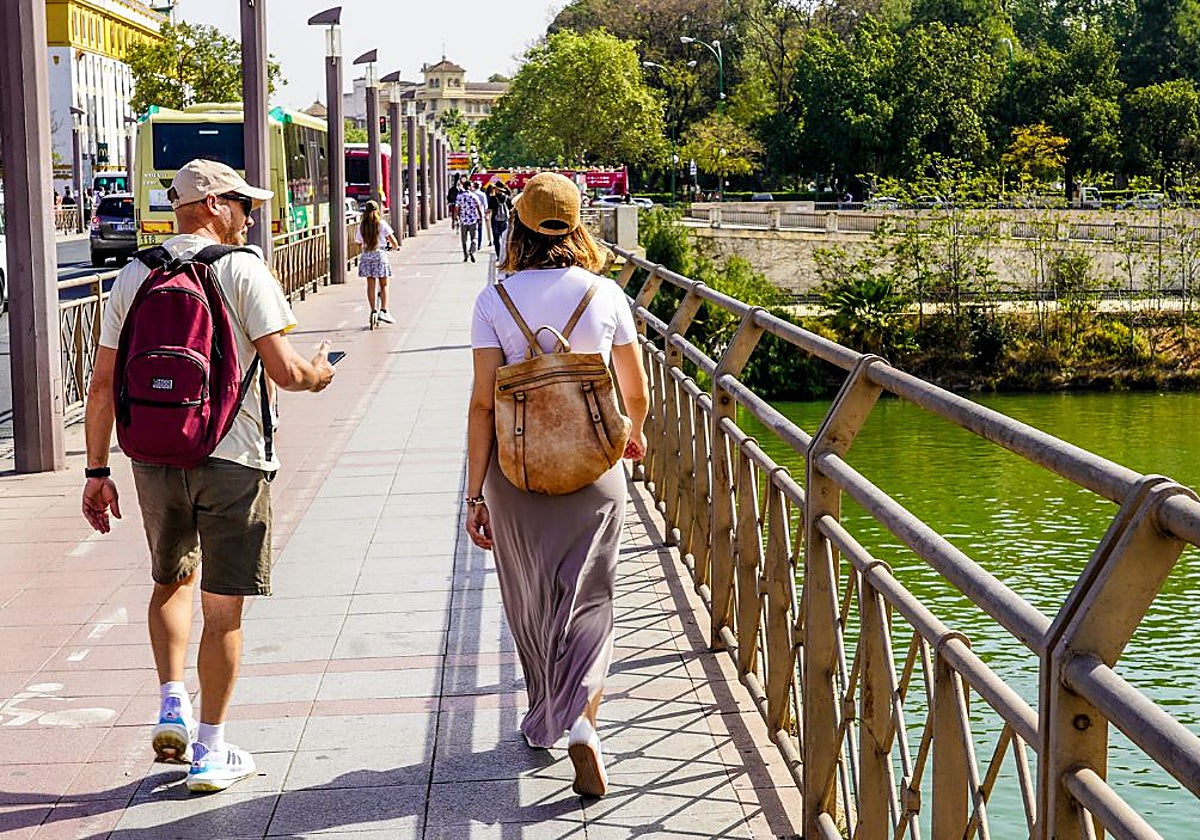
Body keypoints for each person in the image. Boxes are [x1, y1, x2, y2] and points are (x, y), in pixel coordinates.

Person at [81, 158, 336, 794]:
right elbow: (283, 370)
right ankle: (210, 750)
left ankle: (172, 702)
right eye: (244, 204)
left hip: (156, 458)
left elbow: (104, 381)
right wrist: (320, 372)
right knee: (224, 614)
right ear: (217, 206)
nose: (251, 215)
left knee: (171, 580)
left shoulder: (135, 273)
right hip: (235, 457)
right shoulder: (244, 268)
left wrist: (95, 470)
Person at [465, 171, 650, 798]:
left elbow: (483, 405)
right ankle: (582, 723)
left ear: (515, 222)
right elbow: (636, 393)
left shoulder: (495, 300)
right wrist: (632, 436)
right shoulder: (605, 295)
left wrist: (474, 494)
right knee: (591, 598)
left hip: (514, 472)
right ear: (578, 225)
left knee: (530, 595)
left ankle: (547, 711)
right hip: (595, 468)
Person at [355, 198, 400, 326]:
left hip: (366, 255)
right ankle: (384, 311)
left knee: (370, 285)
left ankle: (373, 310)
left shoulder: (362, 226)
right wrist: (394, 247)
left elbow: (358, 243)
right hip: (380, 255)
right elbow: (394, 242)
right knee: (384, 284)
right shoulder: (381, 224)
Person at [456, 181, 481, 261]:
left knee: (464, 239)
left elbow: (456, 209)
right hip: (473, 220)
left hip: (463, 220)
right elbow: (478, 207)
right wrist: (480, 217)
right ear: (470, 187)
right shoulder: (474, 196)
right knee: (474, 238)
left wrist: (455, 219)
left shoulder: (460, 196)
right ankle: (472, 250)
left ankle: (465, 256)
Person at [486, 181, 511, 260]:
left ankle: (499, 256)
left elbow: (489, 210)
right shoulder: (507, 198)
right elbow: (511, 209)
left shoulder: (493, 198)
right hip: (505, 220)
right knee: (505, 239)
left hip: (495, 220)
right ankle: (506, 255)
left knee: (497, 239)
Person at [470, 180, 490, 247]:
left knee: (473, 230)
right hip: (480, 214)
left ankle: (473, 243)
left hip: (472, 214)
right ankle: (479, 244)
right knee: (480, 229)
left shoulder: (472, 194)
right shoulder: (482, 194)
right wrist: (486, 214)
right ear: (480, 186)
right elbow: (485, 205)